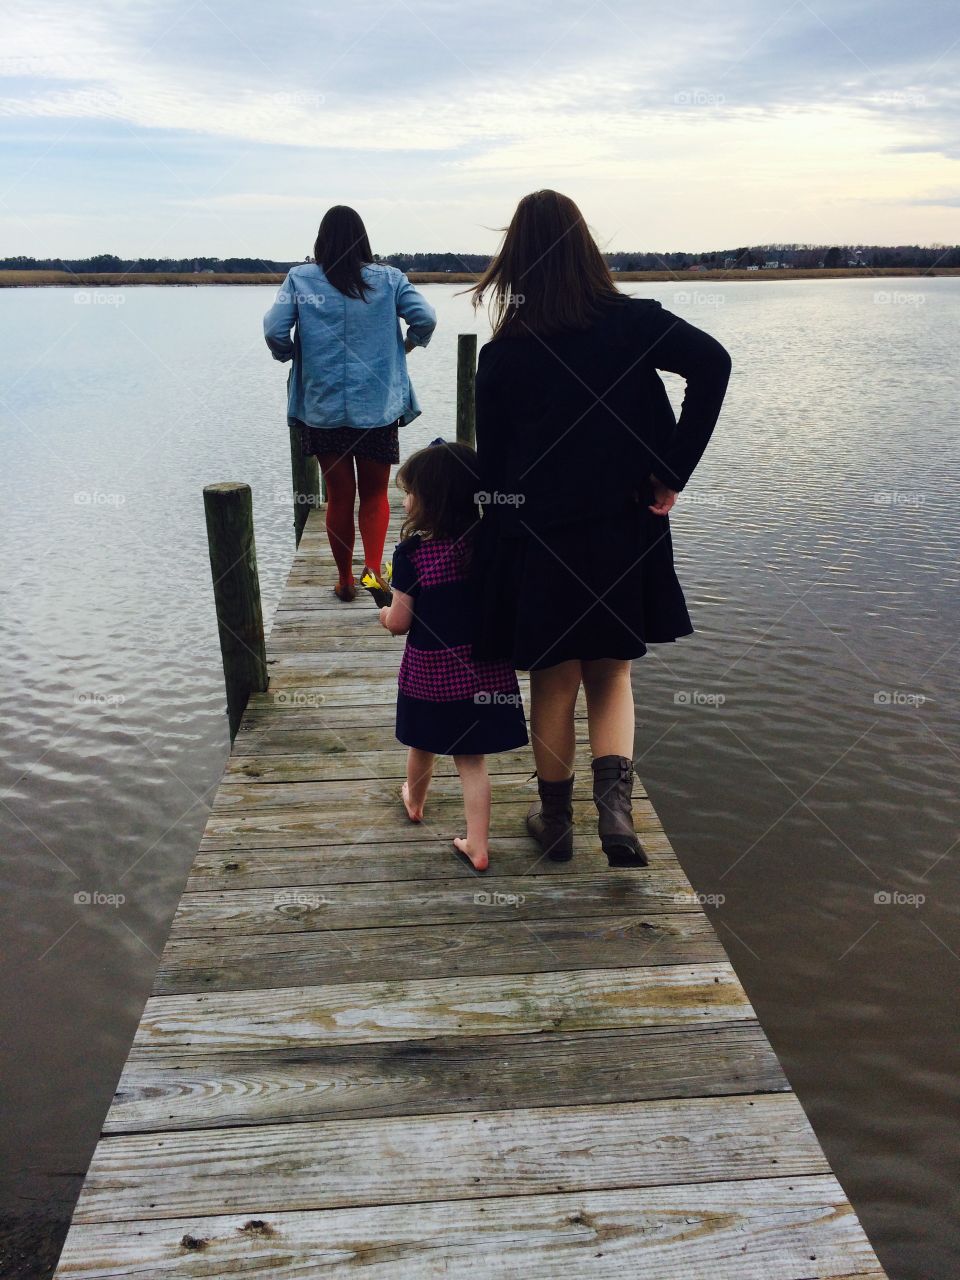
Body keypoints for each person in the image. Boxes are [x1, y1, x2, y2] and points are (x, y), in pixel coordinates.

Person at [468, 189, 732, 869]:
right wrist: (672, 470)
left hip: (540, 538)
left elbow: (492, 476)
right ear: (587, 250)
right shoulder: (633, 322)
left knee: (554, 676)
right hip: (623, 528)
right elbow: (714, 364)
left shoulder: (501, 357)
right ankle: (615, 813)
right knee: (611, 672)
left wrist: (483, 564)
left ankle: (554, 822)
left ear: (515, 265)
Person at [263, 205, 437, 604]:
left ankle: (343, 581)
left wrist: (289, 354)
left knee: (338, 495)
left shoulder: (299, 278)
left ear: (321, 240)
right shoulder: (389, 279)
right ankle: (373, 574)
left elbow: (274, 330)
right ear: (364, 239)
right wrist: (405, 346)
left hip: (323, 407)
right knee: (375, 495)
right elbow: (425, 318)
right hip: (376, 405)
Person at [378, 440, 529, 872]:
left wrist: (384, 614)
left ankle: (415, 801)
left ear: (431, 500)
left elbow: (400, 622)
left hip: (430, 673)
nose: (404, 499)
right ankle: (478, 846)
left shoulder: (412, 555)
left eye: (409, 491)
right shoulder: (488, 544)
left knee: (421, 740)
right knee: (471, 760)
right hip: (483, 670)